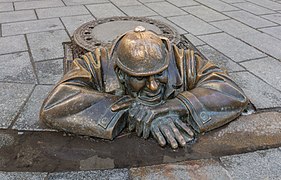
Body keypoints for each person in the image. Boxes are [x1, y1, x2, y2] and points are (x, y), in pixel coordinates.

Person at [40, 26, 248, 149]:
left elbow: (230, 90)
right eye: (140, 78)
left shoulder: (180, 59)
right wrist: (130, 109)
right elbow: (56, 103)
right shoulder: (96, 63)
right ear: (120, 73)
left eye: (160, 74)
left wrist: (174, 106)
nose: (153, 86)